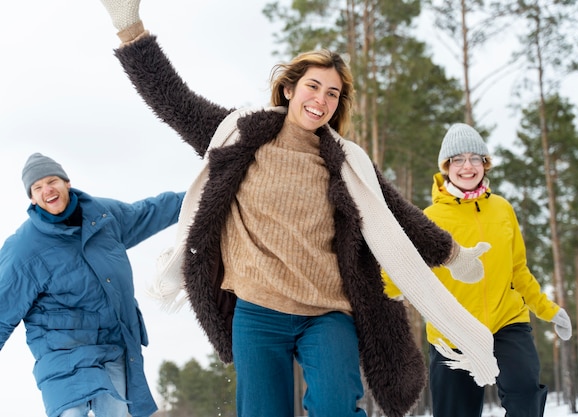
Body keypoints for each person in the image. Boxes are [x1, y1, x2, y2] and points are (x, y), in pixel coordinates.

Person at [97, 2, 500, 416]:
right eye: (313, 86)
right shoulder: (240, 137)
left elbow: (398, 214)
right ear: (290, 88)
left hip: (327, 313)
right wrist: (130, 29)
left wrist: (453, 255)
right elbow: (173, 101)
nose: (320, 99)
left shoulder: (347, 163)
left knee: (336, 408)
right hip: (257, 311)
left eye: (332, 93)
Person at [385, 123, 573, 417]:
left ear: (485, 164)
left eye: (475, 158)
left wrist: (548, 309)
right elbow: (402, 273)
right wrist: (369, 298)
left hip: (506, 321)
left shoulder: (502, 209)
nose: (467, 166)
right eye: (458, 159)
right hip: (452, 331)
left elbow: (518, 270)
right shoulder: (429, 218)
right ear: (446, 166)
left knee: (525, 393)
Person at [0, 153, 185, 417]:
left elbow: (149, 212)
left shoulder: (104, 216)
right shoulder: (24, 249)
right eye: (38, 187)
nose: (47, 190)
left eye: (52, 181)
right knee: (71, 414)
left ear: (67, 183)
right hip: (62, 351)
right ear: (32, 198)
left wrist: (201, 195)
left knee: (117, 413)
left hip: (112, 345)